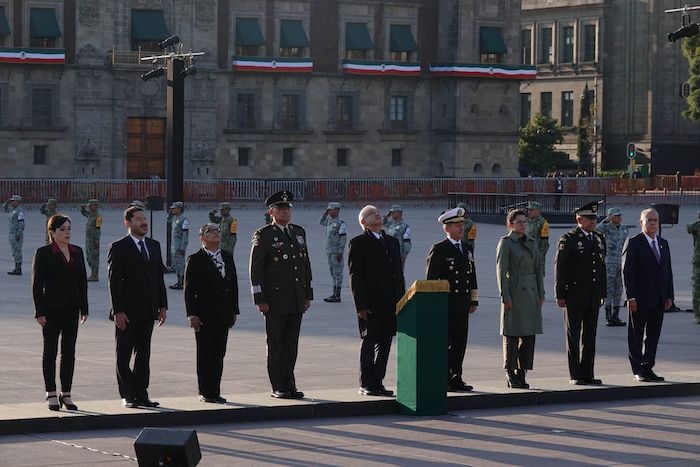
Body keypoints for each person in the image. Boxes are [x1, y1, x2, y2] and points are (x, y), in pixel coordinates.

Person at [250, 190, 313, 399]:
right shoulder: (264, 235)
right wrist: (260, 298)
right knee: (276, 344)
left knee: (291, 344)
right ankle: (278, 385)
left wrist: (307, 294)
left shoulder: (298, 232)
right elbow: (256, 269)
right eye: (280, 208)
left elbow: (305, 264)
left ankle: (290, 384)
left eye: (287, 208)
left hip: (296, 298)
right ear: (271, 212)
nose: (285, 212)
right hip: (275, 300)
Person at [108, 206, 167, 408]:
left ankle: (142, 394)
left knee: (143, 356)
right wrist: (118, 310)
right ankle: (128, 394)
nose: (144, 222)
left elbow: (158, 278)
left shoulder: (154, 245)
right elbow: (114, 281)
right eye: (139, 219)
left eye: (145, 219)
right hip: (127, 311)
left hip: (148, 310)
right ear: (128, 223)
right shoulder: (119, 247)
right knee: (123, 356)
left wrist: (162, 305)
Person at [31, 215, 89, 411]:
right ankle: (51, 393)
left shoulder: (77, 252)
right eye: (63, 229)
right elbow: (37, 285)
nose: (67, 233)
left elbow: (82, 282)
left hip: (72, 308)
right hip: (51, 309)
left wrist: (85, 308)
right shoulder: (44, 253)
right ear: (52, 232)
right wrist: (39, 311)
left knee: (69, 352)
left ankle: (66, 392)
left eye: (69, 229)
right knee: (50, 352)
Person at [349, 205, 405, 397]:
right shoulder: (358, 243)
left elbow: (398, 274)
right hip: (370, 304)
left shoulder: (392, 242)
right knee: (369, 341)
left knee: (385, 343)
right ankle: (366, 383)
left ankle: (378, 381)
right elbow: (355, 276)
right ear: (363, 222)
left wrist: (402, 299)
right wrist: (361, 305)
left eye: (378, 212)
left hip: (391, 302)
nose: (378, 215)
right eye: (372, 213)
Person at [184, 223, 239, 403]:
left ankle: (215, 389)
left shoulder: (227, 257)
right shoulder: (196, 259)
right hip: (204, 314)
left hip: (223, 313)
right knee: (205, 353)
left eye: (217, 231)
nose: (215, 234)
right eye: (210, 232)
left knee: (218, 353)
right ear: (202, 237)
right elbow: (189, 290)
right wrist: (192, 314)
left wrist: (234, 310)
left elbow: (233, 286)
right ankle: (205, 391)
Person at [426, 206, 478, 392]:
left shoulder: (467, 248)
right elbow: (431, 280)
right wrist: (433, 304)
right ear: (446, 228)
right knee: (446, 343)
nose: (460, 228)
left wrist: (474, 300)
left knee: (460, 342)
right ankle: (444, 377)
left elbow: (472, 275)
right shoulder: (439, 249)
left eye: (461, 224)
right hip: (446, 304)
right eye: (456, 225)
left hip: (462, 303)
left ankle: (457, 377)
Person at [554, 201, 606, 385]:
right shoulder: (568, 239)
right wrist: (560, 294)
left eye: (595, 219)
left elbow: (601, 267)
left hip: (593, 295)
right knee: (574, 336)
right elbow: (561, 268)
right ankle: (576, 374)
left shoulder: (598, 238)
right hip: (574, 295)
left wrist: (603, 291)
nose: (593, 222)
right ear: (579, 219)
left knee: (590, 336)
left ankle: (588, 373)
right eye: (589, 218)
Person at [622, 208, 674, 382]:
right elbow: (627, 272)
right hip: (639, 298)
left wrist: (669, 295)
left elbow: (667, 271)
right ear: (641, 222)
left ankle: (648, 366)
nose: (652, 223)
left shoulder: (663, 243)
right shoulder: (634, 242)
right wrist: (630, 297)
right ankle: (637, 369)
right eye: (649, 220)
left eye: (655, 220)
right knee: (636, 335)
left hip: (659, 299)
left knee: (653, 336)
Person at [496, 209, 544, 389]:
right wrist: (505, 296)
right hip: (515, 291)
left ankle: (523, 371)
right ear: (510, 225)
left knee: (528, 335)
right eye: (518, 222)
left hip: (530, 293)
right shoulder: (506, 243)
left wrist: (541, 293)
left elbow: (538, 270)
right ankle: (510, 372)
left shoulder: (532, 243)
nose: (522, 225)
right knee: (512, 334)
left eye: (524, 221)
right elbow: (501, 273)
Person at [596, 207, 629, 326]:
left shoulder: (624, 229)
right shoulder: (606, 228)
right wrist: (606, 220)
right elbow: (596, 229)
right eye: (616, 215)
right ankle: (608, 315)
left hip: (621, 263)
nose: (619, 218)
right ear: (610, 216)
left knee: (618, 290)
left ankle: (616, 315)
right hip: (609, 263)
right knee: (609, 290)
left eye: (620, 215)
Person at [320, 202, 347, 303]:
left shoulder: (341, 223)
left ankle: (338, 294)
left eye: (332, 209)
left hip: (336, 253)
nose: (330, 211)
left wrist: (340, 252)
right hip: (330, 251)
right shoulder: (329, 221)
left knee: (338, 273)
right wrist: (325, 213)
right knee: (333, 272)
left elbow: (343, 239)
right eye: (329, 210)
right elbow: (321, 221)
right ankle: (334, 293)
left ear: (337, 210)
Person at [80, 199, 103, 282]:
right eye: (89, 206)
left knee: (94, 257)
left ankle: (95, 275)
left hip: (94, 240)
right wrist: (82, 208)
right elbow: (84, 213)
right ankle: (92, 274)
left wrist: (96, 241)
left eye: (91, 205)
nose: (89, 207)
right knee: (89, 257)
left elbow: (98, 229)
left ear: (96, 206)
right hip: (89, 239)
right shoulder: (90, 214)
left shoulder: (98, 217)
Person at [525, 201, 550, 276]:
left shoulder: (543, 223)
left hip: (536, 252)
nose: (529, 212)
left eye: (531, 210)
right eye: (528, 210)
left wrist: (540, 256)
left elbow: (544, 242)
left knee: (537, 275)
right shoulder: (526, 221)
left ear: (538, 211)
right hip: (525, 250)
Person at [169, 201, 189, 290]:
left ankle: (182, 282)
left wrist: (183, 247)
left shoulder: (184, 220)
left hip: (179, 246)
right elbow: (168, 220)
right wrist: (170, 214)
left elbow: (185, 235)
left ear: (179, 209)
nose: (172, 210)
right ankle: (179, 281)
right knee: (176, 265)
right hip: (174, 245)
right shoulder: (175, 218)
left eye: (174, 208)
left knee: (180, 265)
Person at [4, 194, 25, 275]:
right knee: (14, 251)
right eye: (11, 201)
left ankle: (18, 268)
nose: (12, 202)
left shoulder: (20, 212)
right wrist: (7, 202)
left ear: (18, 202)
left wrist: (19, 233)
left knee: (17, 251)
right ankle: (16, 267)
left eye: (13, 201)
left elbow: (21, 222)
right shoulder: (12, 210)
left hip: (17, 233)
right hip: (11, 233)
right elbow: (5, 209)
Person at [687, 210, 700, 324]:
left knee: (696, 288)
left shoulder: (696, 226)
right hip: (698, 261)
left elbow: (688, 228)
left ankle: (697, 315)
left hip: (697, 261)